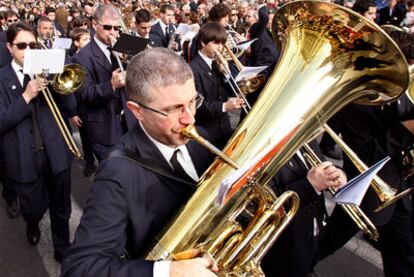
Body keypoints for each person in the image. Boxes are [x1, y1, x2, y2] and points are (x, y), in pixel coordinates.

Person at [62, 47, 217, 276]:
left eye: (193, 102)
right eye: (173, 110)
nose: (189, 118)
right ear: (137, 111)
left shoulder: (200, 136)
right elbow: (79, 268)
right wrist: (169, 272)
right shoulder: (116, 174)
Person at [0, 22, 73, 262]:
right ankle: (32, 223)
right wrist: (26, 96)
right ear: (10, 47)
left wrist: (61, 87)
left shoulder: (47, 69)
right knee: (32, 209)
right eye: (22, 45)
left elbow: (71, 108)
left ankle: (62, 248)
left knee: (61, 208)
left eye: (33, 45)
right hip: (24, 157)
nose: (28, 50)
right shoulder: (2, 78)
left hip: (56, 154)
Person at [261, 141, 347, 277]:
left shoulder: (304, 135)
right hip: (282, 249)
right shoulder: (262, 148)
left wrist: (337, 173)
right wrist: (310, 185)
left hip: (310, 234)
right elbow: (263, 205)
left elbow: (321, 163)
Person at [73, 4, 135, 162]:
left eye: (116, 28)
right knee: (114, 173)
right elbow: (84, 95)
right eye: (107, 27)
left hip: (129, 122)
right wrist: (111, 85)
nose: (113, 32)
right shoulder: (81, 58)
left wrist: (128, 60)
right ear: (94, 24)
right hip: (104, 128)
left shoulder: (122, 47)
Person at [190, 22, 244, 149]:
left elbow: (233, 92)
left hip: (225, 125)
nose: (220, 48)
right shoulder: (192, 69)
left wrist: (227, 74)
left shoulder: (218, 63)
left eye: (222, 43)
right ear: (203, 42)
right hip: (206, 130)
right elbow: (198, 105)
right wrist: (224, 106)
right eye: (216, 43)